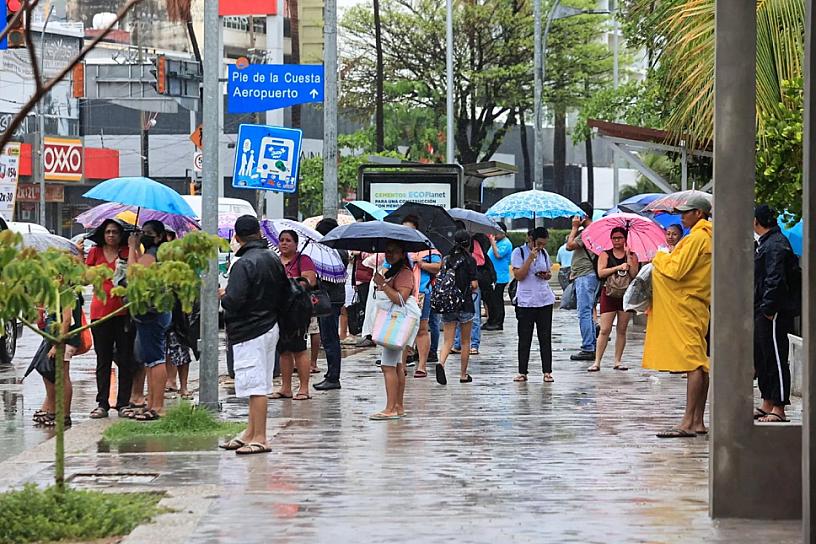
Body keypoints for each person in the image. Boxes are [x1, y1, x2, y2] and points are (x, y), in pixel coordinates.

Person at [642, 195, 712, 438]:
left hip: (686, 304)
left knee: (694, 363)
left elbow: (676, 269)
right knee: (700, 363)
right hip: (696, 304)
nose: (682, 217)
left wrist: (660, 256)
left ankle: (687, 423)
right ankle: (698, 421)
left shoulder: (697, 238)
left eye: (686, 212)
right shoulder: (706, 236)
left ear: (699, 214)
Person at [219, 215, 287, 454]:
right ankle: (250, 432)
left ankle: (260, 437)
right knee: (259, 382)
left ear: (237, 238)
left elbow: (234, 301)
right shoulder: (273, 258)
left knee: (256, 385)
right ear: (258, 233)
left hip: (249, 330)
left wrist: (224, 295)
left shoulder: (243, 264)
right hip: (269, 326)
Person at [83, 219, 135, 419]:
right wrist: (79, 257)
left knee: (125, 359)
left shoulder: (126, 252)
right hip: (100, 313)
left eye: (115, 232)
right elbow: (85, 279)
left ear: (121, 235)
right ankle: (102, 403)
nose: (111, 235)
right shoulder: (95, 252)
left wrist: (132, 247)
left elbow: (134, 274)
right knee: (103, 359)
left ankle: (123, 403)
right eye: (108, 232)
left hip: (123, 312)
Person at [753, 204, 800, 423]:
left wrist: (769, 308)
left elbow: (775, 278)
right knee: (763, 356)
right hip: (763, 308)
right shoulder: (767, 243)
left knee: (775, 357)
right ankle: (768, 401)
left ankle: (779, 407)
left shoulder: (776, 245)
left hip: (774, 311)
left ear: (757, 221)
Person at [127, 220, 172, 421]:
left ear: (159, 236)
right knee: (149, 359)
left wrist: (131, 248)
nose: (143, 235)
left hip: (152, 312)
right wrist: (137, 248)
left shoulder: (154, 253)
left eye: (148, 233)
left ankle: (158, 406)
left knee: (155, 359)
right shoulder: (155, 254)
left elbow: (133, 275)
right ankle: (152, 403)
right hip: (155, 310)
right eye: (142, 232)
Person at [369, 240, 416, 420]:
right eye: (387, 251)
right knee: (396, 366)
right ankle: (398, 406)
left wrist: (383, 284)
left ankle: (390, 408)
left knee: (387, 366)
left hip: (395, 323)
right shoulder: (393, 271)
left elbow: (400, 299)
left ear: (402, 254)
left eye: (394, 251)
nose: (390, 254)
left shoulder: (404, 273)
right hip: (393, 322)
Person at [587, 227, 639, 372]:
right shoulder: (605, 254)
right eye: (614, 238)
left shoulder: (632, 255)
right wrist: (618, 267)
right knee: (605, 329)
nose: (617, 241)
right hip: (609, 293)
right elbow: (601, 272)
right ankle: (597, 361)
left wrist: (628, 258)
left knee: (622, 329)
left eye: (620, 238)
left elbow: (634, 274)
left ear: (625, 239)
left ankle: (618, 360)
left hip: (626, 295)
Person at [274, 229, 316, 400]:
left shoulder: (303, 260)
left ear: (296, 244)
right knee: (283, 349)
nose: (284, 243)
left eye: (288, 240)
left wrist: (292, 282)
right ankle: (286, 387)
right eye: (282, 240)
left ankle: (304, 388)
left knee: (298, 348)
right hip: (279, 309)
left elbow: (310, 280)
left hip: (298, 310)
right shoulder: (275, 260)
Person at [511, 227, 556, 383]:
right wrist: (530, 258)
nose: (541, 247)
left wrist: (546, 275)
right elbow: (519, 276)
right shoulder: (519, 252)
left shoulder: (544, 253)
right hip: (526, 301)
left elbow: (549, 272)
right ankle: (522, 371)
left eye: (544, 244)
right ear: (531, 239)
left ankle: (547, 371)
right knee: (525, 337)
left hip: (544, 299)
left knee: (545, 337)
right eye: (539, 243)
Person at [436, 230, 479, 385]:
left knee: (448, 340)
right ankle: (463, 374)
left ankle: (441, 363)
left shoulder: (447, 259)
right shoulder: (470, 260)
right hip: (465, 304)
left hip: (448, 304)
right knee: (465, 342)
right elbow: (474, 284)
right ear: (468, 243)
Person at [401, 215, 442, 378]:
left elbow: (438, 267)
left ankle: (422, 365)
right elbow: (387, 267)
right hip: (401, 293)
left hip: (422, 293)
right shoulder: (398, 249)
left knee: (422, 329)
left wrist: (421, 263)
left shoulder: (427, 248)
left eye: (410, 229)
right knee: (402, 329)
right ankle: (402, 363)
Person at [313, 218, 348, 391]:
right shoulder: (337, 250)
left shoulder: (332, 252)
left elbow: (329, 276)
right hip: (332, 298)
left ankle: (334, 376)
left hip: (329, 299)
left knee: (330, 338)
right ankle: (331, 374)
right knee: (328, 337)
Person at [566, 202, 599, 361]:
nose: (573, 218)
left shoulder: (588, 231)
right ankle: (591, 344)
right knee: (587, 310)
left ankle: (588, 347)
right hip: (588, 275)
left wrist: (574, 228)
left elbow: (569, 246)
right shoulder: (591, 230)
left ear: (583, 216)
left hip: (585, 275)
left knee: (584, 312)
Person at [453, 233, 487, 355]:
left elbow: (481, 261)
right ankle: (458, 344)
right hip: (460, 288)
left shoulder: (472, 250)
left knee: (473, 316)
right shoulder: (454, 256)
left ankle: (473, 344)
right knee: (460, 316)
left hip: (469, 288)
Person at [484, 223, 513, 331]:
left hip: (500, 277)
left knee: (497, 301)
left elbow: (498, 255)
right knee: (491, 300)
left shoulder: (506, 243)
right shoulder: (498, 242)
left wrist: (492, 241)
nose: (495, 235)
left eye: (496, 233)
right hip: (493, 276)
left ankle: (498, 322)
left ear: (503, 233)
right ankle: (491, 320)